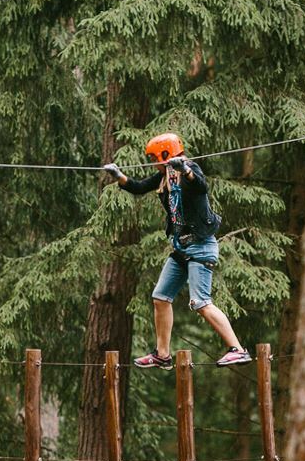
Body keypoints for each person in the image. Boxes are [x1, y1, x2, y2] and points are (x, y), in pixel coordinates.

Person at [103, 132, 251, 368]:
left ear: (165, 154)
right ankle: (162, 355)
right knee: (160, 298)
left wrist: (185, 170)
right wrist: (119, 175)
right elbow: (139, 187)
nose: (153, 162)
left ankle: (238, 350)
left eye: (154, 157)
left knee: (201, 303)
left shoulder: (188, 168)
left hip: (201, 248)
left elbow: (201, 187)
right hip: (181, 248)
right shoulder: (164, 176)